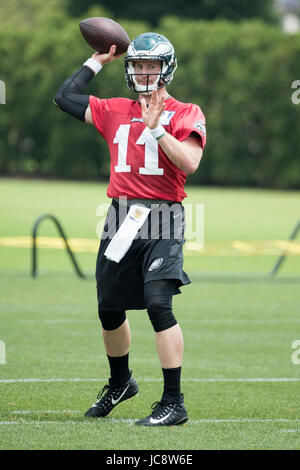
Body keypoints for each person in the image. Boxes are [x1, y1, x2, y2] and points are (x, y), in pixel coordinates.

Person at [54, 32, 206, 426]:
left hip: (163, 216)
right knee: (109, 308)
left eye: (151, 65)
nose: (143, 72)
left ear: (166, 68)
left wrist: (156, 129)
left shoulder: (186, 111)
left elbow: (190, 163)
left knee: (158, 303)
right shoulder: (115, 109)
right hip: (121, 218)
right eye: (137, 64)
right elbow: (65, 98)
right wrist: (95, 62)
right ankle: (121, 383)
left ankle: (174, 402)